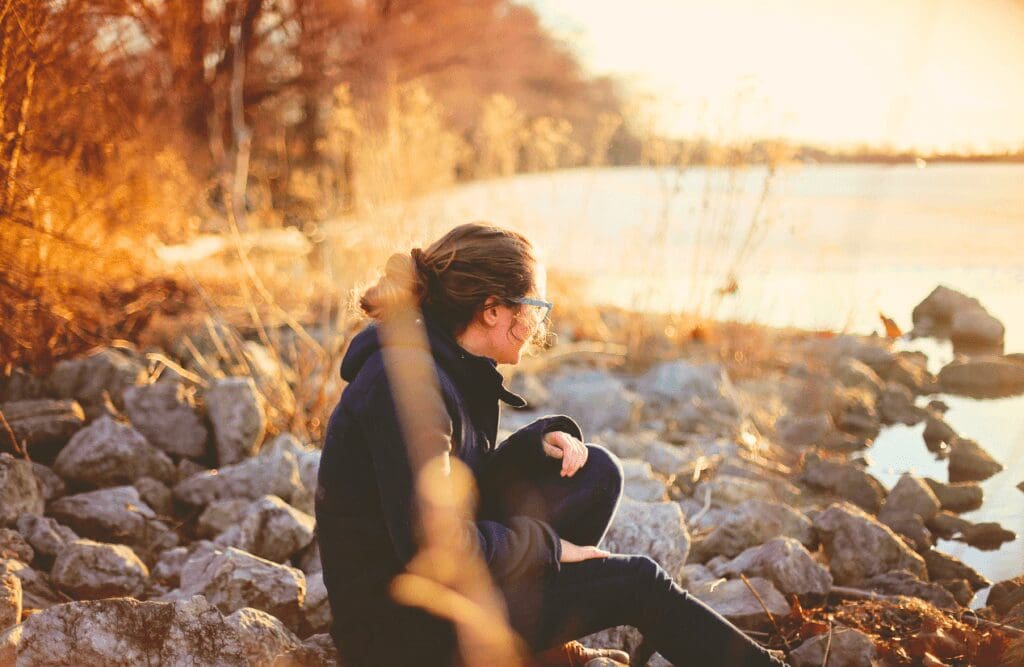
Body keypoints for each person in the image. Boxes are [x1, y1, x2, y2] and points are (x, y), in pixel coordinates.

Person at [314, 222, 789, 666]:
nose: (541, 325)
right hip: (400, 634)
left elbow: (457, 482)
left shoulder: (447, 361)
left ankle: (537, 643)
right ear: (493, 309)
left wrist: (532, 447)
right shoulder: (405, 388)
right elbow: (435, 549)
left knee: (594, 475)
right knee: (637, 582)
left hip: (438, 594)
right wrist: (550, 548)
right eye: (535, 309)